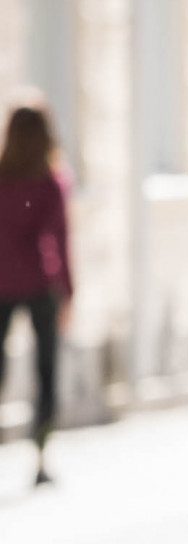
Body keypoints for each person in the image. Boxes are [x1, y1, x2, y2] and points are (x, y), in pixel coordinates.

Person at [0, 99, 73, 487]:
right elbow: (60, 240)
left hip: (2, 283)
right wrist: (69, 292)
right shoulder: (50, 181)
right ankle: (41, 457)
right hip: (41, 283)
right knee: (45, 371)